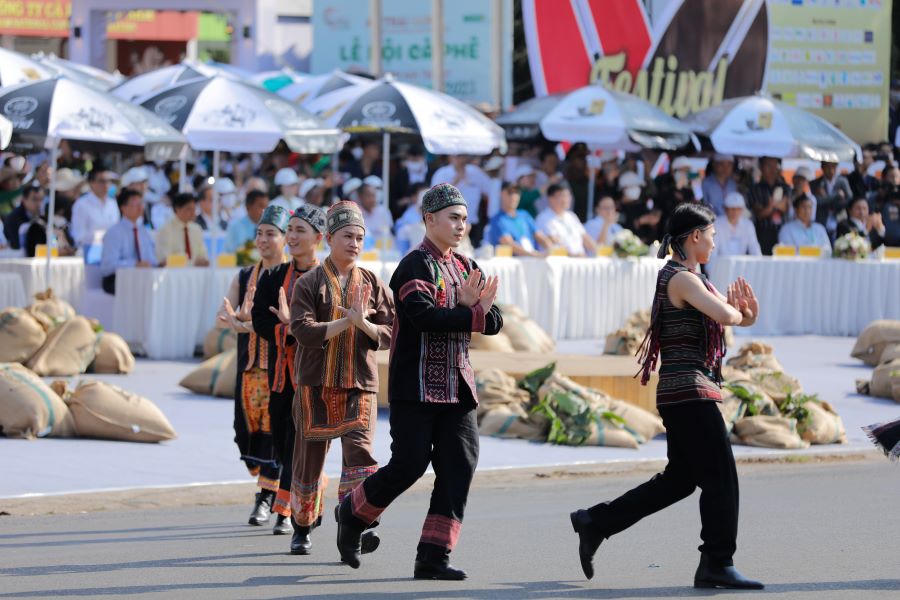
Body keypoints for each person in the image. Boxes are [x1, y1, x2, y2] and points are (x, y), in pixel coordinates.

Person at [570, 203, 763, 591]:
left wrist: (745, 315)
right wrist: (739, 315)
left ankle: (596, 522)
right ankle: (717, 561)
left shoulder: (695, 278)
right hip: (689, 393)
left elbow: (727, 319)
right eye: (711, 234)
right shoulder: (680, 278)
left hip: (685, 392)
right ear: (694, 236)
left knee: (680, 481)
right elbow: (726, 317)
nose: (714, 241)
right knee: (721, 477)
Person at [335, 183, 503, 579]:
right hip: (416, 386)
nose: (462, 225)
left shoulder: (467, 266)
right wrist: (470, 309)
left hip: (457, 386)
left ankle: (433, 557)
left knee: (459, 465)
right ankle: (352, 514)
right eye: (454, 218)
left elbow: (495, 320)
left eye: (465, 218)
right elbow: (424, 318)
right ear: (429, 219)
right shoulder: (413, 266)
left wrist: (473, 310)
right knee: (410, 464)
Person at [287, 201, 394, 556]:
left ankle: (357, 525)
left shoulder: (373, 283)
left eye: (360, 238)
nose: (355, 243)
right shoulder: (309, 282)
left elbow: (393, 332)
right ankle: (302, 526)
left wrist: (363, 322)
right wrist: (347, 321)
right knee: (309, 458)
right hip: (315, 385)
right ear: (329, 238)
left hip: (359, 383)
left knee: (360, 457)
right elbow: (302, 330)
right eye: (348, 236)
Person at [251, 205, 328, 547]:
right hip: (283, 377)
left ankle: (298, 522)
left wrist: (292, 326)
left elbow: (326, 325)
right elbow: (261, 320)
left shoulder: (329, 279)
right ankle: (303, 507)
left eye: (301, 231)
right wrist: (291, 330)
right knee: (285, 446)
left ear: (318, 238)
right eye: (291, 230)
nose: (293, 237)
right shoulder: (273, 278)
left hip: (318, 378)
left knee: (306, 449)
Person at [218, 205, 289, 529]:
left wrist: (250, 320)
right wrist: (237, 319)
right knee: (245, 433)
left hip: (280, 365)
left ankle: (267, 497)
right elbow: (226, 317)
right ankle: (267, 490)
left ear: (285, 239)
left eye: (270, 233)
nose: (262, 239)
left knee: (276, 434)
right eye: (259, 233)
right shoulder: (245, 275)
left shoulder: (292, 277)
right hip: (249, 368)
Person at [99, 189, 157, 294]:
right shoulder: (114, 233)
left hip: (140, 276)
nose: (140, 208)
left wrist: (158, 263)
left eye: (141, 204)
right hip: (116, 279)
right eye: (136, 204)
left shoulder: (144, 231)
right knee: (141, 288)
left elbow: (149, 258)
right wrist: (134, 264)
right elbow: (107, 266)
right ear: (123, 208)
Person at [430, 156, 492, 245]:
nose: (461, 159)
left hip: (472, 222)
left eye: (463, 155)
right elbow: (434, 197)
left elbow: (490, 190)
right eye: (457, 156)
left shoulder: (475, 172)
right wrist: (455, 181)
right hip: (450, 224)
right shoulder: (441, 173)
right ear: (450, 156)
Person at [487, 182, 548, 256]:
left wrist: (551, 249)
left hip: (531, 259)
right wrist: (533, 254)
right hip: (512, 263)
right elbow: (508, 244)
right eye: (510, 192)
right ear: (501, 194)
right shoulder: (497, 219)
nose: (514, 196)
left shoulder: (524, 215)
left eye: (517, 193)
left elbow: (539, 236)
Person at [535, 184, 597, 256]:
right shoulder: (544, 218)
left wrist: (598, 251)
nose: (566, 199)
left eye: (568, 196)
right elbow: (553, 242)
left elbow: (585, 238)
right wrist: (574, 255)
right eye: (563, 196)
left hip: (579, 260)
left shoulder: (571, 216)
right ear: (550, 198)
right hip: (559, 262)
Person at [747, 157, 792, 255]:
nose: (772, 169)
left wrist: (770, 207)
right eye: (768, 166)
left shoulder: (785, 187)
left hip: (783, 232)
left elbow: (785, 208)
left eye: (775, 166)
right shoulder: (755, 189)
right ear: (761, 167)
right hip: (762, 232)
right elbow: (759, 214)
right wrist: (773, 206)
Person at [155, 193, 210, 267]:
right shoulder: (166, 230)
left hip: (196, 275)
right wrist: (192, 263)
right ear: (177, 209)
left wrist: (202, 261)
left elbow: (203, 255)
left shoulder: (197, 229)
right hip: (173, 275)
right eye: (189, 209)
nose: (193, 212)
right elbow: (164, 260)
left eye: (194, 209)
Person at [71, 168, 119, 247]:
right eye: (101, 181)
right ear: (91, 183)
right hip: (89, 253)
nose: (106, 185)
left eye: (108, 181)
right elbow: (79, 237)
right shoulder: (81, 205)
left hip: (112, 251)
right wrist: (103, 236)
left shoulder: (112, 203)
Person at [711, 191, 761, 258]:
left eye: (738, 209)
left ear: (742, 210)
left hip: (741, 266)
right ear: (725, 209)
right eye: (732, 209)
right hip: (721, 265)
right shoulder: (717, 224)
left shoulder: (748, 225)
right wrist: (710, 268)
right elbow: (712, 251)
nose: (735, 212)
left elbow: (755, 249)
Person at [812, 161, 852, 238]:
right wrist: (836, 196)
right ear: (822, 168)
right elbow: (817, 202)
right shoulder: (816, 183)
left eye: (833, 167)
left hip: (839, 220)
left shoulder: (842, 181)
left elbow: (849, 200)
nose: (831, 170)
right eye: (828, 167)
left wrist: (826, 199)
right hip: (822, 221)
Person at [3, 183, 43, 250]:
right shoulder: (13, 218)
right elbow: (16, 245)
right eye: (34, 199)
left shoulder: (43, 215)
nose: (39, 204)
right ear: (24, 200)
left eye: (41, 199)